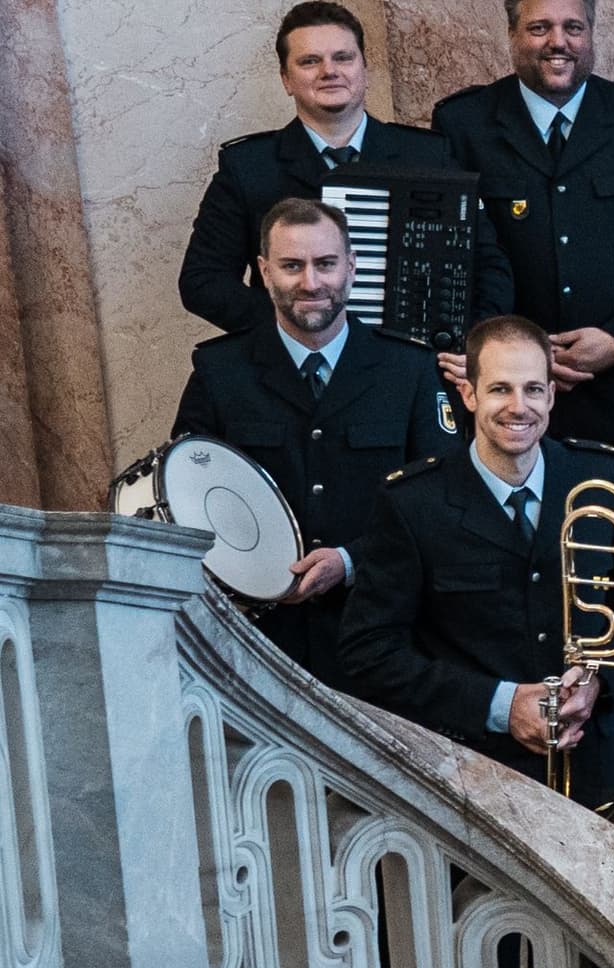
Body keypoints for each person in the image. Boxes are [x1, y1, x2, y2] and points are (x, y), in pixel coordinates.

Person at [432, 0, 614, 539]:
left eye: (573, 27)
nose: (558, 42)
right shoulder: (463, 124)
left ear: (591, 34)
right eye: (540, 27)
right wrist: (509, 356)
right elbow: (455, 256)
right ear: (512, 36)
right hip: (513, 407)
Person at [342, 314, 614, 797]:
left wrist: (599, 685)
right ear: (468, 394)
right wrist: (500, 705)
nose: (518, 407)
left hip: (596, 759)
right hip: (473, 771)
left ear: (551, 395)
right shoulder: (413, 503)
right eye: (499, 389)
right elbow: (370, 654)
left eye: (533, 389)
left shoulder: (602, 475)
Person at [172, 198, 455, 688]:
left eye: (325, 264)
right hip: (256, 650)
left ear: (351, 267)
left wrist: (349, 561)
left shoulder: (409, 370)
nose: (310, 283)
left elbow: (446, 503)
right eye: (291, 266)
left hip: (385, 645)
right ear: (263, 272)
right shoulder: (220, 373)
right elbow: (185, 500)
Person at [184, 0, 485, 339]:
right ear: (286, 79)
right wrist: (293, 327)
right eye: (310, 61)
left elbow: (489, 265)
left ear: (364, 70)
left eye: (343, 57)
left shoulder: (428, 154)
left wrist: (468, 342)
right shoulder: (248, 167)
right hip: (296, 368)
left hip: (411, 365)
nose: (330, 71)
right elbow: (202, 279)